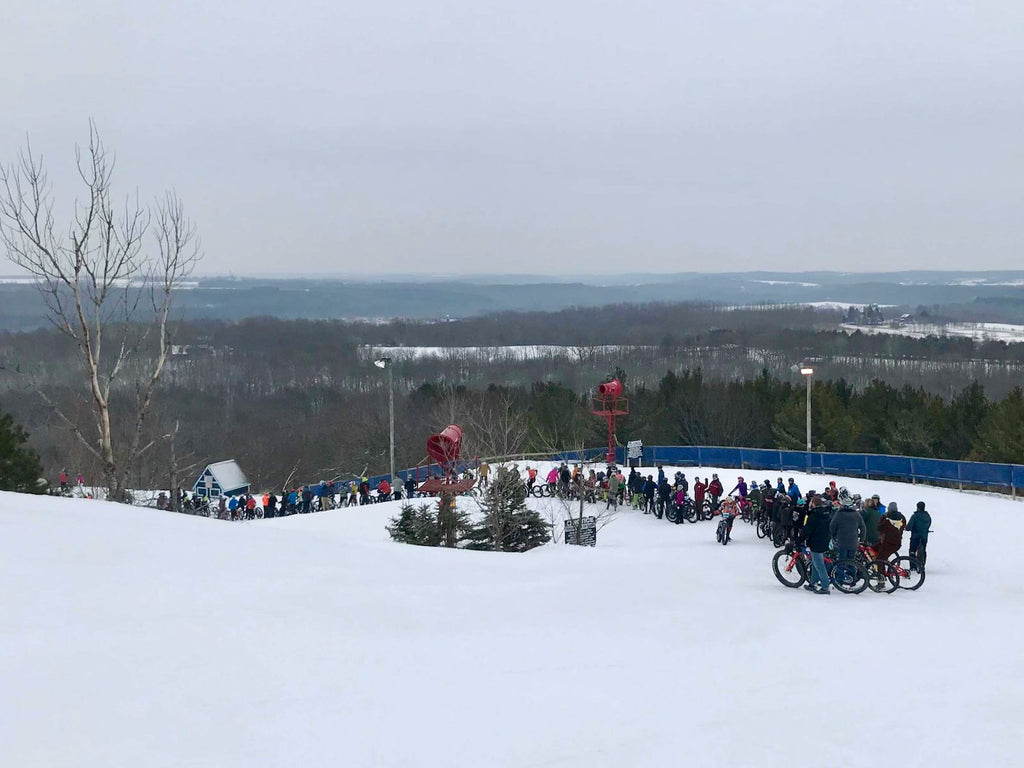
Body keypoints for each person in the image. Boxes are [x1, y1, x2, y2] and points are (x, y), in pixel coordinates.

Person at [829, 489, 866, 583]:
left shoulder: (839, 514)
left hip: (842, 541)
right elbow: (863, 527)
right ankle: (852, 579)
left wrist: (833, 536)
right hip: (853, 542)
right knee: (851, 561)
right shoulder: (856, 514)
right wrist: (861, 538)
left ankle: (840, 580)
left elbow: (832, 527)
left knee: (841, 561)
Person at [803, 496, 832, 594]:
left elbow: (807, 530)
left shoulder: (814, 515)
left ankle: (825, 587)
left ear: (814, 504)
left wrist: (799, 540)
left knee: (819, 565)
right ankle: (813, 583)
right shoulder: (826, 513)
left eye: (811, 502)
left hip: (815, 542)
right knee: (815, 563)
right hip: (824, 541)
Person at [907, 501, 932, 570]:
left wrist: (907, 528)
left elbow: (909, 526)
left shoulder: (915, 516)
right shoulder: (927, 516)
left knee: (912, 551)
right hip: (924, 536)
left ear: (917, 507)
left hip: (915, 536)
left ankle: (913, 566)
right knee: (923, 550)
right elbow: (929, 524)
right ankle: (922, 564)